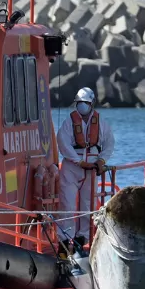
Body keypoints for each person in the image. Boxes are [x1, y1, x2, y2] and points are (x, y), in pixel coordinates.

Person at [57, 87, 115, 238]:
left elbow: (109, 143)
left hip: (92, 169)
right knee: (67, 204)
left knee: (88, 204)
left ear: (92, 103)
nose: (82, 105)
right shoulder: (68, 123)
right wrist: (79, 162)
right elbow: (63, 143)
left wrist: (102, 160)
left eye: (86, 102)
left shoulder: (101, 122)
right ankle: (65, 238)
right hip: (71, 167)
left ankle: (83, 237)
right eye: (80, 102)